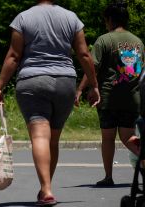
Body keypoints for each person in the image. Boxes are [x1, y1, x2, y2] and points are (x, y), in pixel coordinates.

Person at [0, 0, 100, 205]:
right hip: (65, 82)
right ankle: (46, 189)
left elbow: (14, 56)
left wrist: (0, 85)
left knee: (40, 136)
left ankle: (46, 189)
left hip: (32, 81)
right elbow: (84, 54)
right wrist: (93, 84)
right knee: (53, 139)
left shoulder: (23, 18)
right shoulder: (72, 18)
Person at [75, 2, 144, 187]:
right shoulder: (138, 42)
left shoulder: (104, 40)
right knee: (129, 136)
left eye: (106, 20)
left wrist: (81, 89)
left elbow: (93, 66)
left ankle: (108, 177)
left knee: (108, 137)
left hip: (109, 97)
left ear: (110, 19)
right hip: (133, 98)